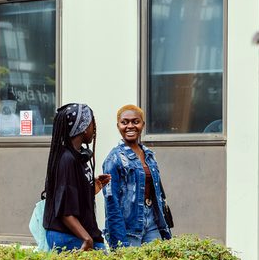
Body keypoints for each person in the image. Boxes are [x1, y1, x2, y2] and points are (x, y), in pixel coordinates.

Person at [42, 103, 111, 252]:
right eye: (93, 122)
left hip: (78, 234)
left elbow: (69, 196)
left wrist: (91, 188)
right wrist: (87, 239)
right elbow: (65, 212)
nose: (95, 128)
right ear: (84, 126)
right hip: (73, 236)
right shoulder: (67, 160)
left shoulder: (77, 156)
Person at [102, 104, 172, 248]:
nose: (130, 126)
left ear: (143, 125)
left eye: (135, 121)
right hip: (129, 227)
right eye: (124, 122)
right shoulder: (113, 159)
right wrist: (119, 240)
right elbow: (111, 203)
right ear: (118, 126)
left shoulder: (149, 156)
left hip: (152, 221)